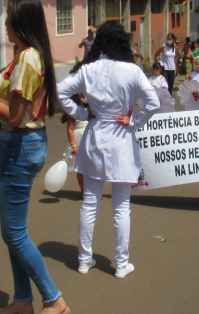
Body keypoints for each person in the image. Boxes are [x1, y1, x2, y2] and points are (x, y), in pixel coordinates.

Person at [0, 0, 69, 314]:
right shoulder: (22, 56)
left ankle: (53, 300)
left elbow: (13, 115)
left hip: (18, 145)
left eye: (9, 19)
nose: (4, 24)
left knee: (14, 233)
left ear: (22, 22)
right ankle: (23, 300)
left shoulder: (29, 59)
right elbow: (8, 92)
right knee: (12, 232)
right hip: (12, 145)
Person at [58, 21, 160, 279]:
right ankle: (121, 264)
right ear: (122, 42)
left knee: (90, 202)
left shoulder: (88, 69)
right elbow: (154, 102)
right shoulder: (132, 71)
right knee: (121, 205)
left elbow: (60, 91)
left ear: (100, 42)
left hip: (94, 136)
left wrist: (81, 112)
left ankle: (83, 260)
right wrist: (135, 119)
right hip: (121, 139)